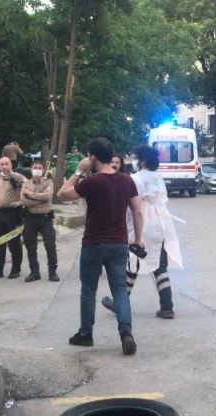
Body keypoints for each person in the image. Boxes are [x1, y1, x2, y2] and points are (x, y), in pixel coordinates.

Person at [57, 137, 144, 355]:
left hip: (93, 243)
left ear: (92, 157)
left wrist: (78, 171)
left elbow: (61, 195)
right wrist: (138, 239)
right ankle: (126, 332)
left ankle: (86, 333)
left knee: (88, 289)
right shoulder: (126, 180)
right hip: (119, 243)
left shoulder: (92, 182)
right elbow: (137, 210)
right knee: (119, 289)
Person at [102, 145, 183, 319]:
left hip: (143, 224)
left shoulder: (135, 178)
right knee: (159, 264)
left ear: (143, 161)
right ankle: (167, 307)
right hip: (160, 224)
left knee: (133, 262)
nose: (135, 161)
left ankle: (120, 303)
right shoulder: (158, 177)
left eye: (136, 158)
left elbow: (132, 205)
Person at [0, 157, 26, 279]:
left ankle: (15, 269)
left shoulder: (16, 176)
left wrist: (21, 201)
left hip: (13, 213)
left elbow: (28, 185)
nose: (4, 166)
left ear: (11, 165)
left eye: (6, 164)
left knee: (14, 243)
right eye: (1, 164)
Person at [20, 161, 58, 282]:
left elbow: (47, 197)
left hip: (45, 218)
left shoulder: (48, 182)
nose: (37, 169)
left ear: (43, 169)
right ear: (31, 169)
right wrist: (40, 198)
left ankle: (52, 272)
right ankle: (34, 272)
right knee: (30, 246)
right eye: (35, 167)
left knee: (50, 245)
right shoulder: (25, 184)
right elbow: (24, 201)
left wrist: (30, 194)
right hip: (30, 218)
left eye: (40, 168)